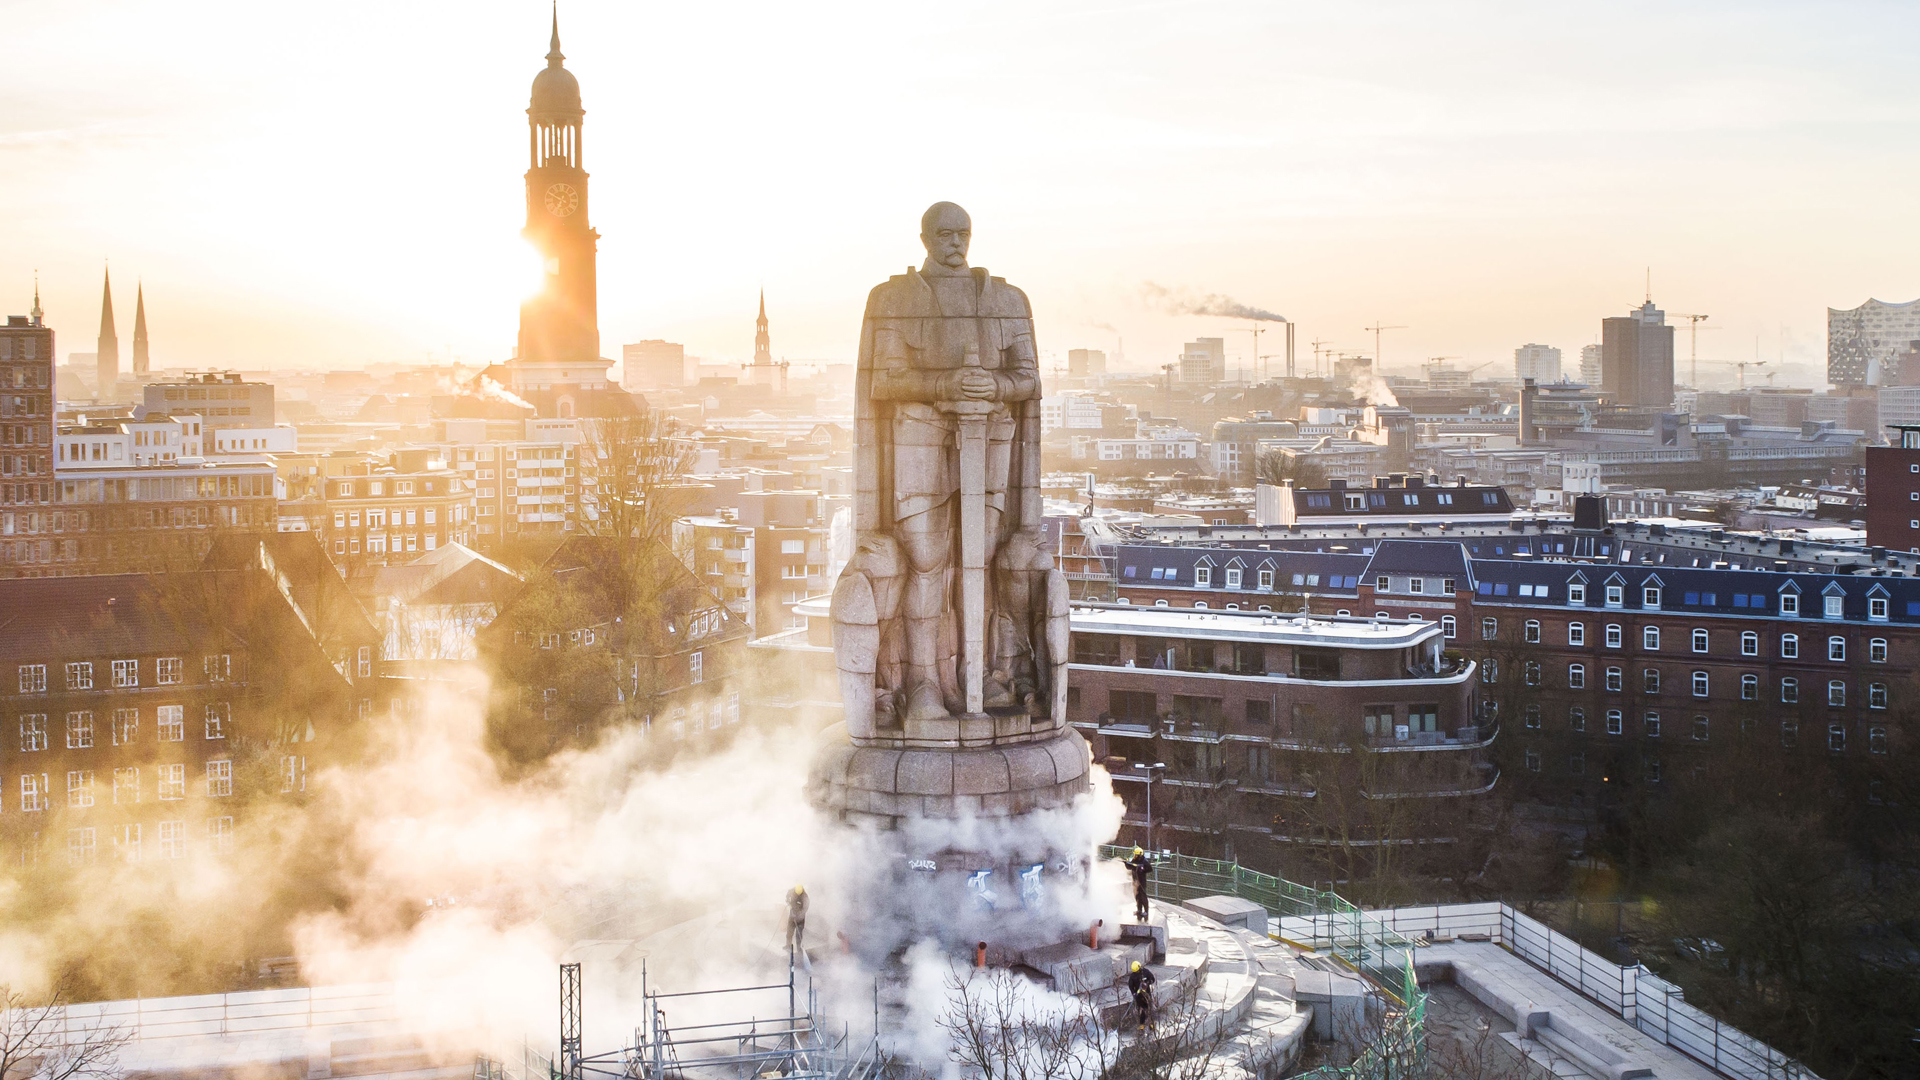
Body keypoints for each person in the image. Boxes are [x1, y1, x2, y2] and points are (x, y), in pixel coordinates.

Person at [1124, 846, 1153, 922]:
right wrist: (1126, 863)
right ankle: (1139, 912)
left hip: (1141, 882)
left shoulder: (1144, 862)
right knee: (1137, 897)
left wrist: (1142, 869)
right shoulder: (1134, 860)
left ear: (1139, 855)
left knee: (1143, 897)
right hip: (1135, 882)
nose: (1134, 856)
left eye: (1136, 855)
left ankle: (1146, 912)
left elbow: (1150, 869)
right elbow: (1130, 867)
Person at [1127, 960, 1156, 1030]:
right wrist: (1134, 993)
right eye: (1135, 972)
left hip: (1146, 994)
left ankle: (1151, 1023)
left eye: (1137, 971)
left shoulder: (1145, 972)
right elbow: (1130, 985)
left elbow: (1152, 979)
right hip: (1139, 996)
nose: (1136, 973)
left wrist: (1147, 983)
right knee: (1142, 1009)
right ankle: (1142, 1024)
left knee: (1149, 1008)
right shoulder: (1133, 976)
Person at [785, 884, 808, 954]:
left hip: (800, 918)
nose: (797, 894)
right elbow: (787, 896)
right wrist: (788, 900)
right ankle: (788, 945)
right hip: (792, 915)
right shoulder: (792, 890)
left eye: (799, 893)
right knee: (789, 931)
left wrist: (799, 916)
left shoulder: (805, 897)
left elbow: (805, 908)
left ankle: (799, 948)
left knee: (799, 933)